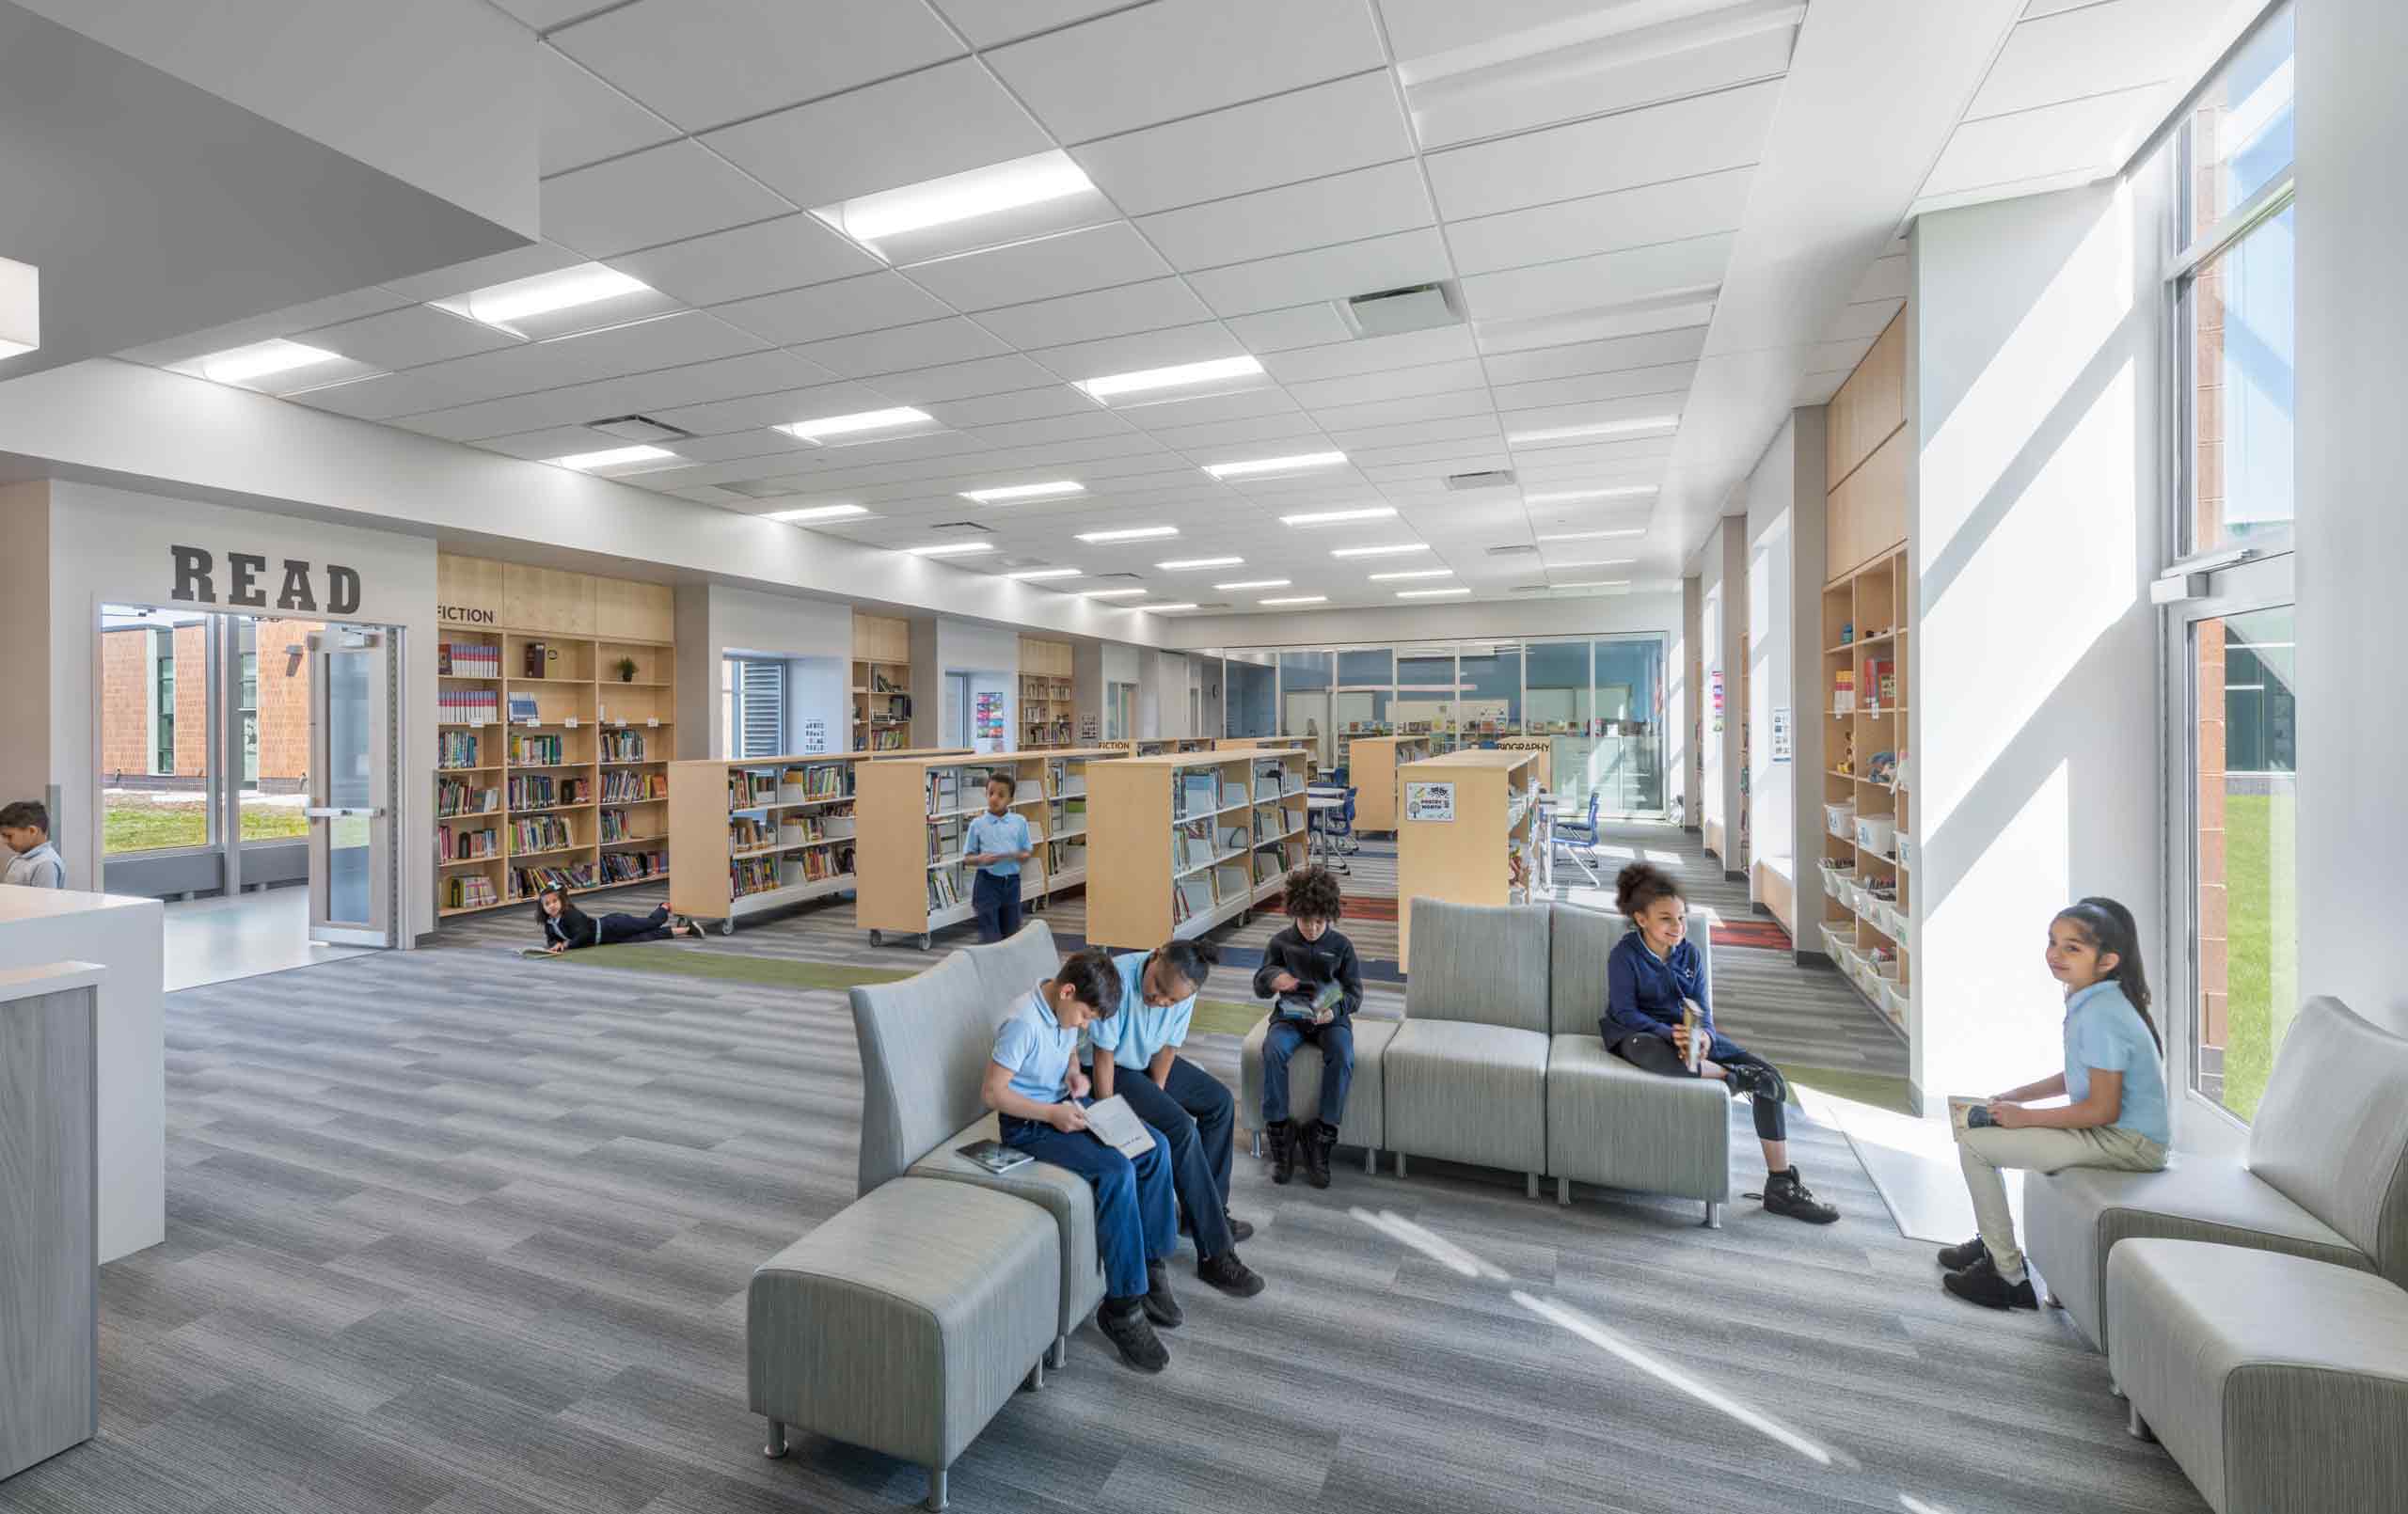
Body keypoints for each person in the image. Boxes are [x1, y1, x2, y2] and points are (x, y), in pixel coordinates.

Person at [1940, 897, 2169, 1310]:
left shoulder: (2101, 1014)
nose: (2055, 954)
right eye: (2053, 942)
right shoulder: (2097, 1000)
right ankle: (1992, 1243)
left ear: (2107, 961)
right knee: (1982, 1125)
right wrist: (2017, 1097)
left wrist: (2025, 1119)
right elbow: (2081, 1077)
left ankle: (2006, 1276)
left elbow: (2103, 1109)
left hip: (2125, 1142)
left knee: (1975, 1147)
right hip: (2113, 1133)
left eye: (2072, 948)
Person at [1604, 861, 1839, 1224]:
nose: (1677, 927)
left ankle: (1781, 1185)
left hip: (1693, 1039)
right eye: (1666, 919)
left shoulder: (1691, 955)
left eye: (1681, 918)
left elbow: (1705, 1012)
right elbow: (1625, 1011)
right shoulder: (1625, 955)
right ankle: (1731, 1078)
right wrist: (1671, 1034)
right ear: (1641, 919)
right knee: (1651, 1052)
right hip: (1641, 1035)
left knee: (1771, 1077)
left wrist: (1706, 1037)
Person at [984, 947, 1180, 1373]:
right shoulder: (1022, 1022)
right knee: (1116, 1170)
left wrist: (1074, 1071)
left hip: (1066, 1103)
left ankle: (1151, 1262)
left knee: (1154, 1147)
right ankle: (1123, 1308)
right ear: (1068, 990)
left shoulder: (1063, 1006)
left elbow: (1070, 1047)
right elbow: (993, 1093)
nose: (1085, 1026)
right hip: (1031, 1124)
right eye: (1087, 1018)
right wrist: (1052, 1113)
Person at [1088, 938, 1265, 1299]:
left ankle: (1208, 1211)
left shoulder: (1185, 991)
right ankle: (1215, 1253)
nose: (1161, 1001)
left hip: (1147, 1061)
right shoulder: (1116, 979)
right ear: (1154, 956)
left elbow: (1169, 1047)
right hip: (1111, 1070)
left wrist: (1157, 1094)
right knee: (1181, 1129)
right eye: (1158, 989)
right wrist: (1109, 1115)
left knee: (1219, 1103)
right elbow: (1103, 1057)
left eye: (1172, 999)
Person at [1252, 865, 1363, 1188]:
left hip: (1331, 1021)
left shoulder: (1342, 946)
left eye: (1320, 921)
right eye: (1305, 921)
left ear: (1329, 916)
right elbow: (1259, 985)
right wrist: (1274, 979)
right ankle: (1280, 1138)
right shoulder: (1280, 943)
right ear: (1294, 913)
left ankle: (1322, 1138)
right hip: (1289, 1019)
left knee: (1343, 1055)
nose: (1312, 929)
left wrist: (1336, 1010)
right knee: (1272, 1050)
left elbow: (1355, 993)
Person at [962, 769, 1032, 943]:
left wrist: (1016, 855)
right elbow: (968, 857)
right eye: (991, 793)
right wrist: (980, 859)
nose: (994, 798)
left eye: (1001, 795)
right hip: (986, 884)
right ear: (986, 794)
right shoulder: (977, 824)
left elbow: (1026, 853)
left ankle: (1007, 968)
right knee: (990, 934)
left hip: (1011, 884)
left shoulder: (1019, 822)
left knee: (1011, 933)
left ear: (1011, 799)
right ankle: (988, 966)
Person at [531, 886, 706, 951]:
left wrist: (567, 945)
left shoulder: (570, 914)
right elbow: (551, 938)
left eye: (555, 901)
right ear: (543, 908)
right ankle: (688, 929)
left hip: (613, 925)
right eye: (547, 904)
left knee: (650, 924)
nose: (552, 906)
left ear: (561, 901)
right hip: (608, 939)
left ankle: (663, 908)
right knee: (647, 936)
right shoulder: (550, 922)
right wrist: (554, 944)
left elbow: (583, 935)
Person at [0, 800, 65, 889]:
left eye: (9, 836)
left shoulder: (45, 864)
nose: (5, 841)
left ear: (32, 831)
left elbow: (44, 901)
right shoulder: (16, 859)